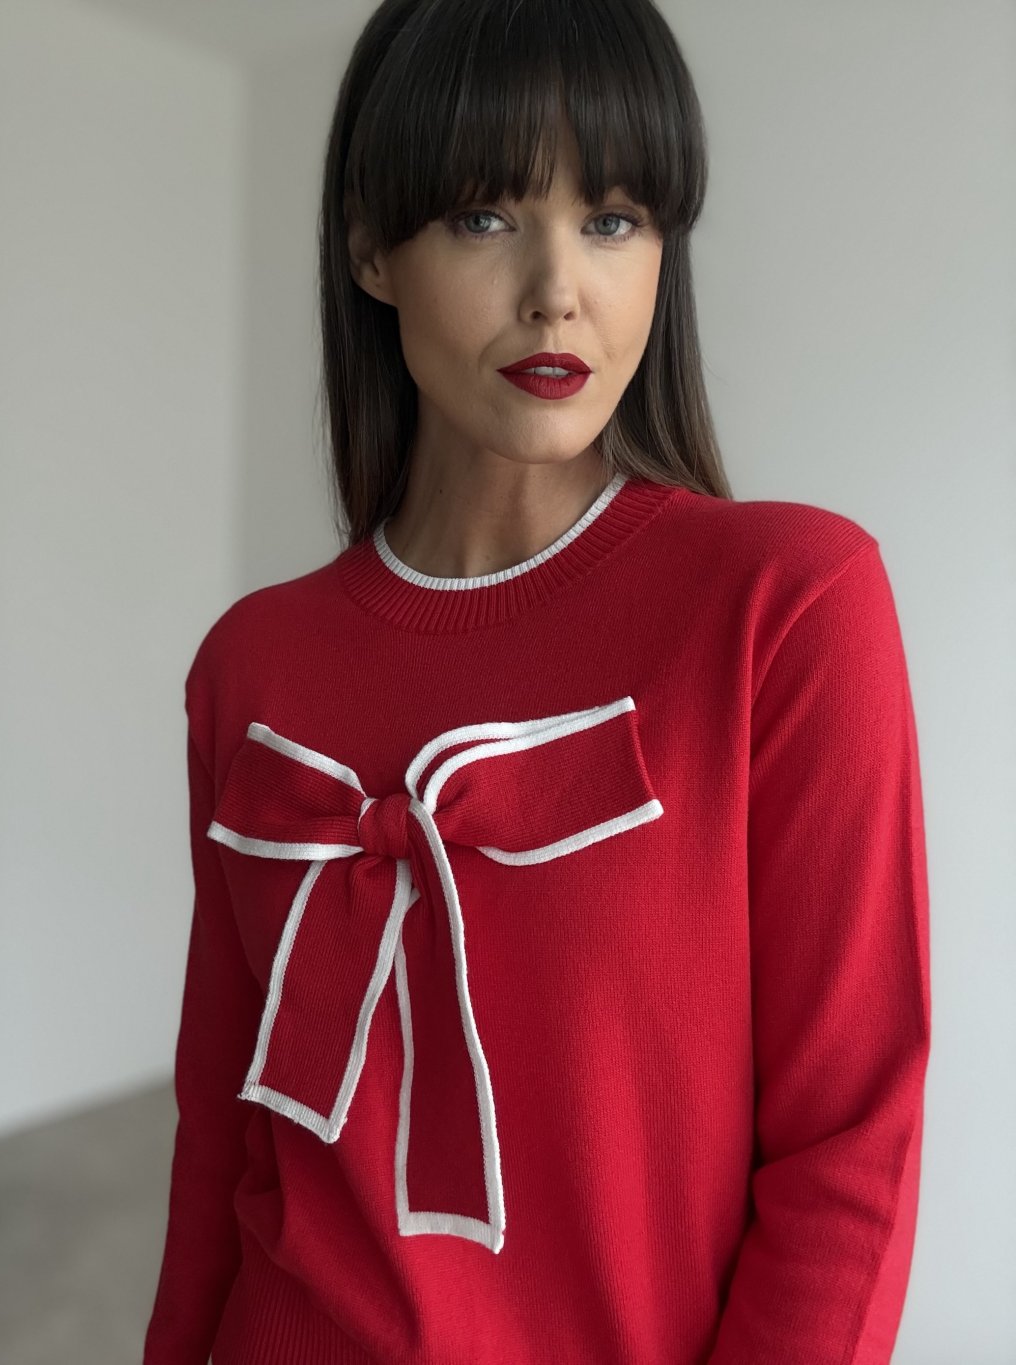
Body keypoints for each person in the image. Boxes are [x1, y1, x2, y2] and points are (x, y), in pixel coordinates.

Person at [143, 0, 932, 1361]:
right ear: (370, 249)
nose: (558, 289)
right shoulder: (249, 665)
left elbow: (851, 1147)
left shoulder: (789, 606)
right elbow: (224, 1129)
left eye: (614, 218)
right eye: (485, 216)